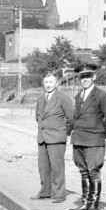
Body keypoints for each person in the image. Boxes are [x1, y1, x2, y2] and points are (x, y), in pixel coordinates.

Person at [68, 63, 106, 210]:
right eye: (82, 77)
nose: (85, 79)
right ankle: (85, 203)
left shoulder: (101, 96)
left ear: (94, 77)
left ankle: (94, 205)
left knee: (93, 172)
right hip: (79, 139)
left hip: (94, 140)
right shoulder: (78, 97)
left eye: (87, 76)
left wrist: (102, 134)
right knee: (83, 172)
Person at [32, 70, 74, 203]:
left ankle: (59, 194)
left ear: (57, 83)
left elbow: (71, 118)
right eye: (46, 82)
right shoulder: (40, 98)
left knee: (57, 167)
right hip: (42, 137)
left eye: (51, 82)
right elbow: (37, 117)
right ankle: (45, 191)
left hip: (57, 138)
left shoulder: (63, 97)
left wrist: (63, 132)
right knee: (43, 166)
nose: (48, 85)